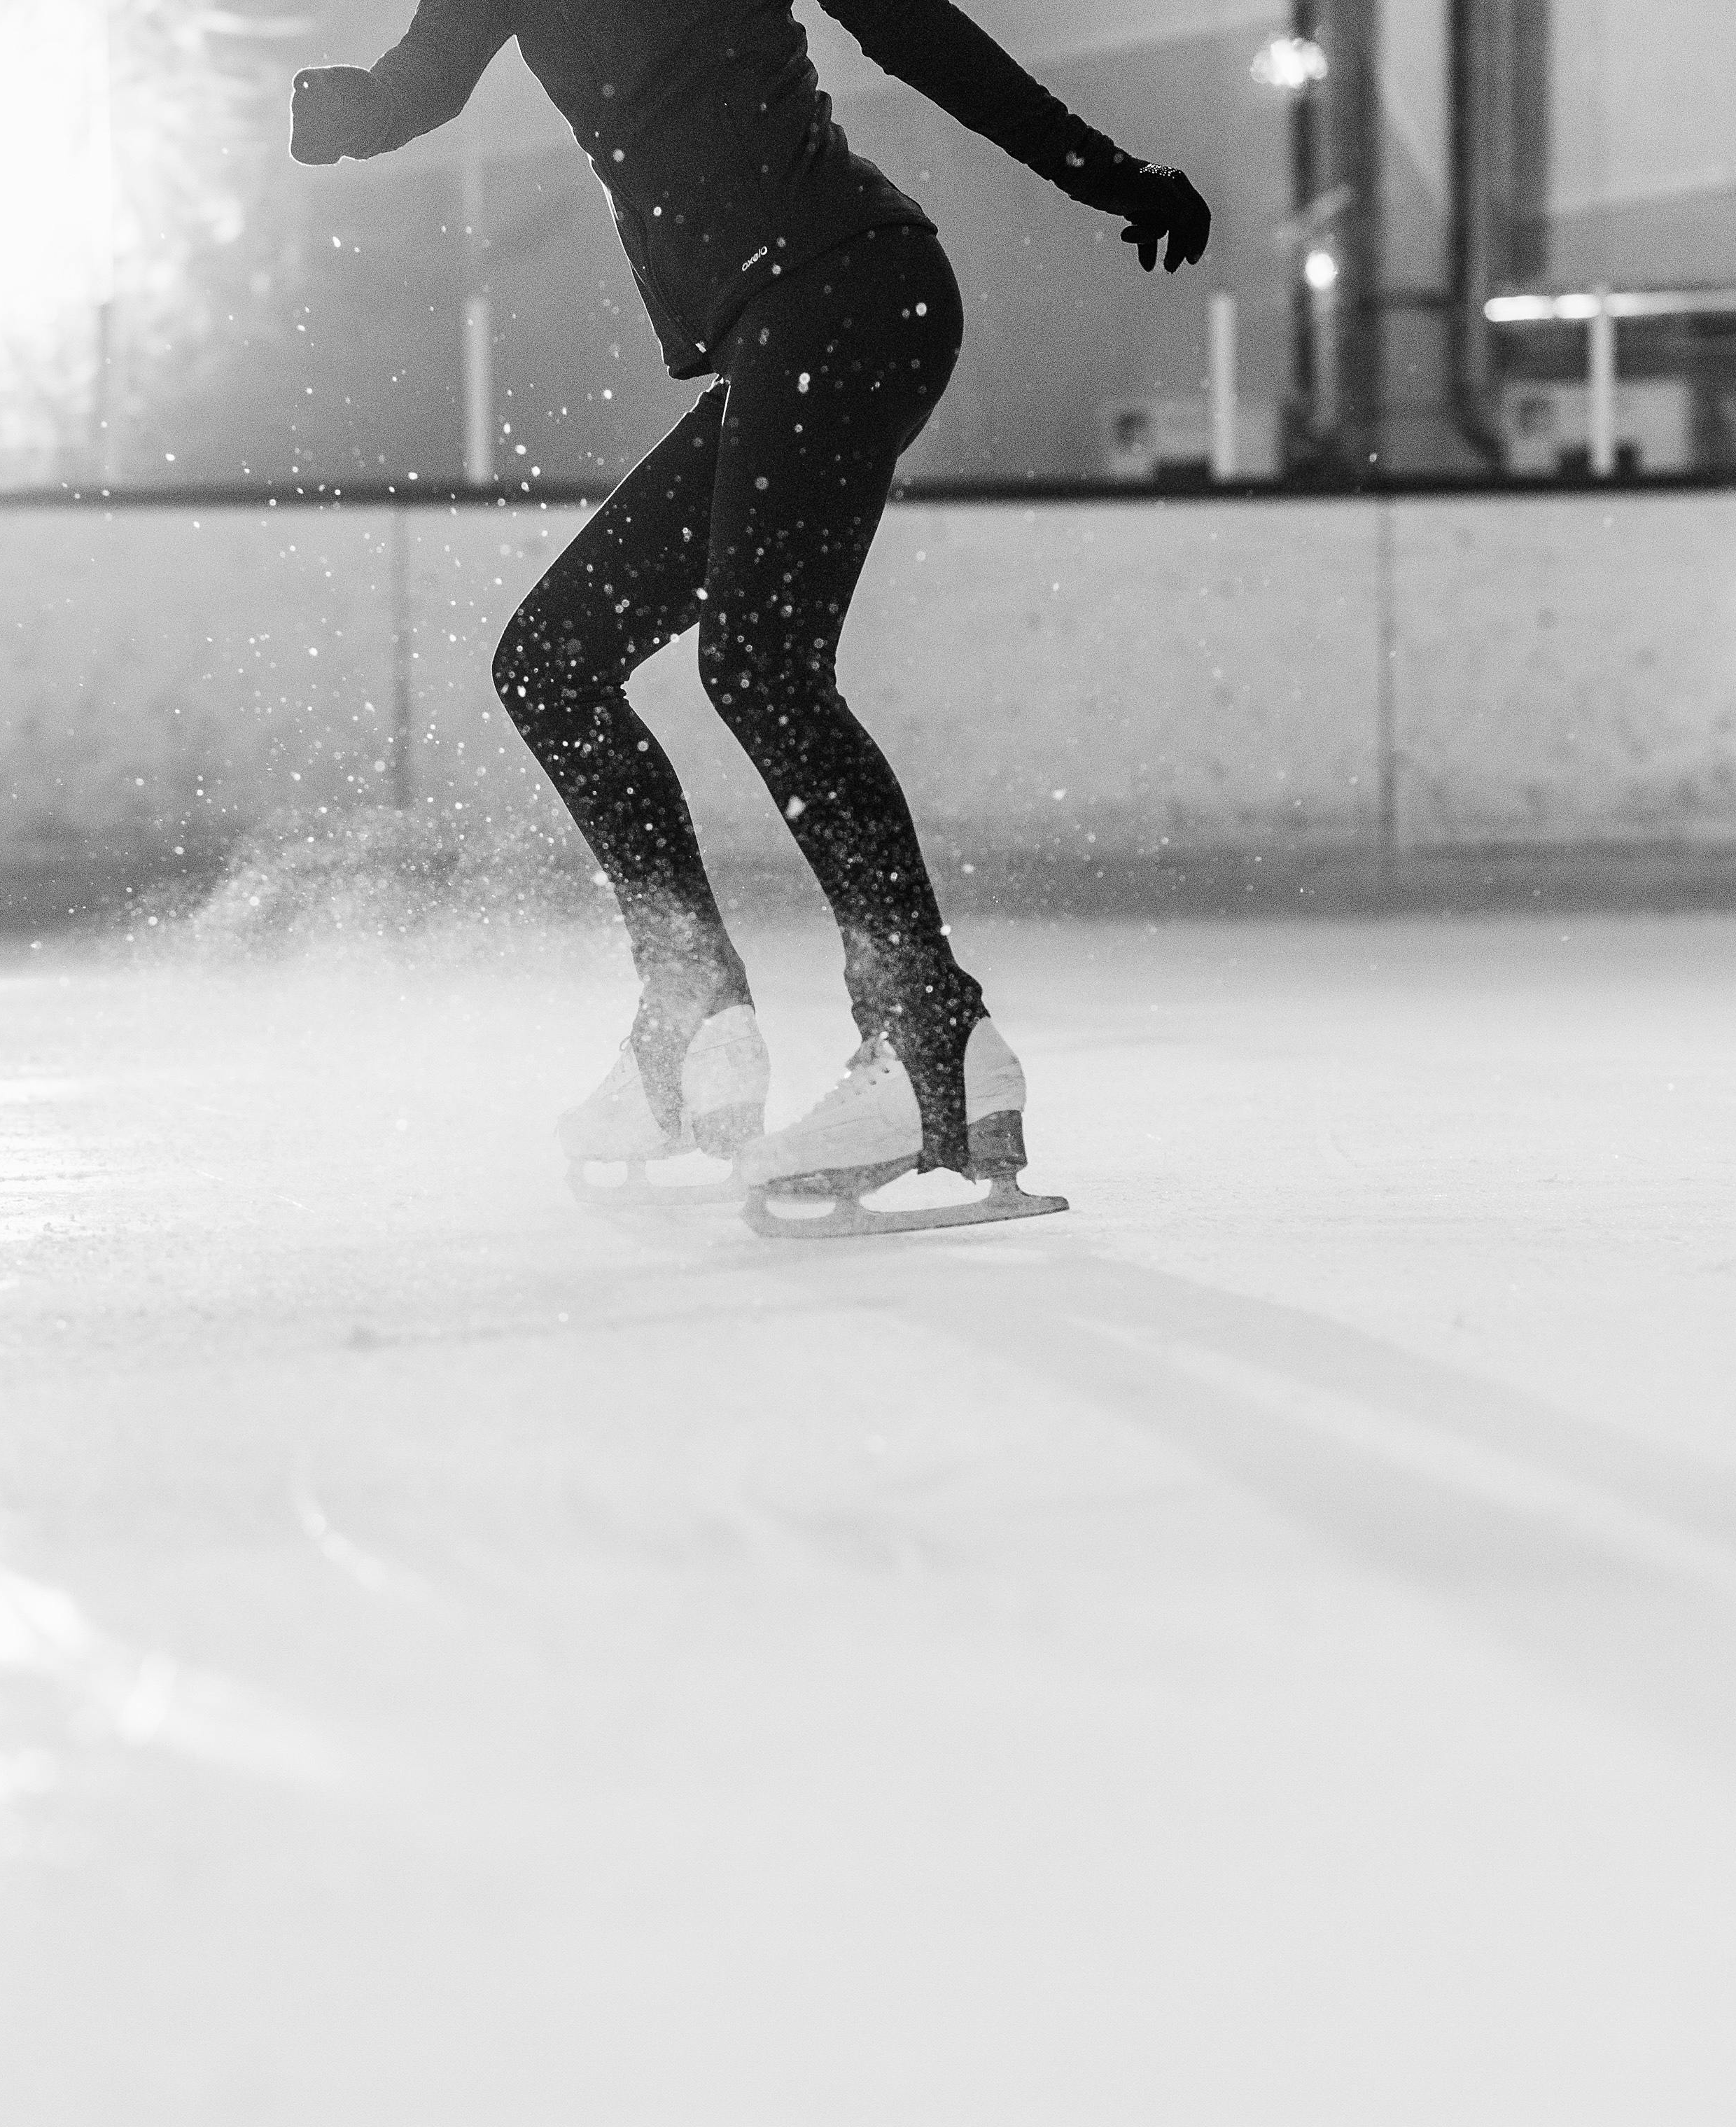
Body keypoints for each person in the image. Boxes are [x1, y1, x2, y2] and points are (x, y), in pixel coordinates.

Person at [290, 0, 1210, 1234]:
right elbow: (423, 86)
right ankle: (692, 1018)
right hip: (789, 326)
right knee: (554, 663)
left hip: (850, 292)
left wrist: (1112, 176)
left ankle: (924, 1041)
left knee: (762, 669)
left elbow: (914, 31)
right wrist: (347, 111)